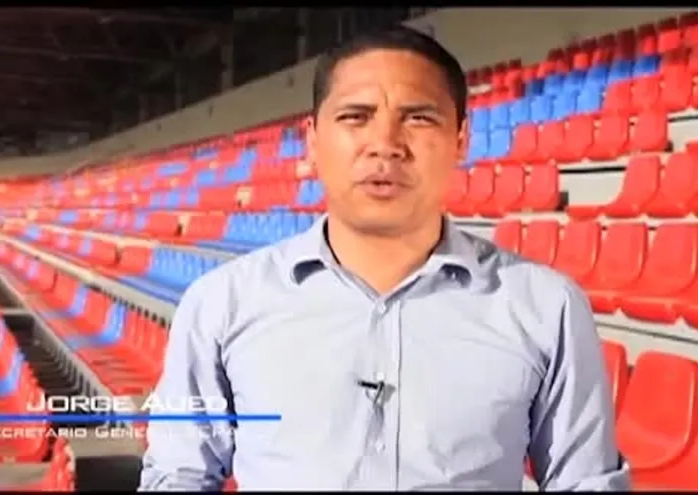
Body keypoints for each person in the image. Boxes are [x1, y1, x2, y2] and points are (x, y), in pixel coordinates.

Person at [138, 26, 631, 491]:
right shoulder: (222, 304)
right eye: (356, 116)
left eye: (418, 118)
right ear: (312, 139)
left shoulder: (546, 307)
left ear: (461, 138)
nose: (386, 145)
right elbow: (178, 476)